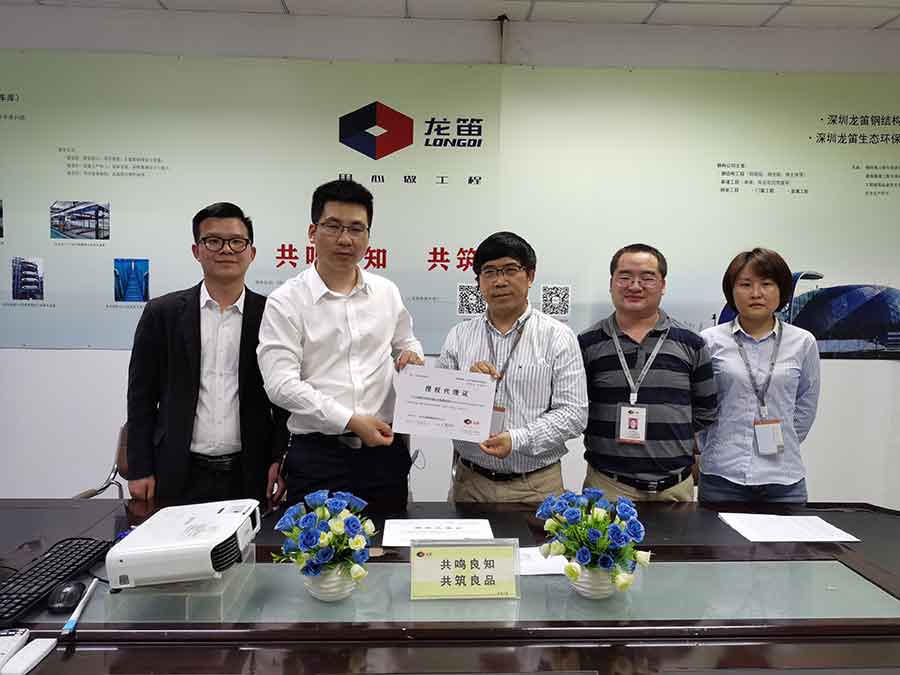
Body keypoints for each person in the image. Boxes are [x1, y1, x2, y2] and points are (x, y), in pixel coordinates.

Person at [257, 179, 424, 510]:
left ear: (368, 237)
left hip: (383, 454)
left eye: (356, 229)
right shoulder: (285, 301)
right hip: (318, 457)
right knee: (316, 542)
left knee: (389, 540)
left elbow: (406, 341)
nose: (345, 239)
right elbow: (280, 385)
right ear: (312, 231)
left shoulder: (386, 292)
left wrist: (412, 355)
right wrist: (350, 419)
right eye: (333, 226)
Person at [127, 202, 289, 504]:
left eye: (237, 242)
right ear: (196, 251)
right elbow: (141, 399)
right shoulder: (163, 313)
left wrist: (281, 459)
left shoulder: (273, 314)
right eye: (213, 241)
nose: (226, 249)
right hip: (177, 470)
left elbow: (285, 401)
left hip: (251, 472)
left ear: (251, 252)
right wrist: (139, 469)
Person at [437, 232, 587, 503]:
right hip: (470, 484)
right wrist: (466, 387)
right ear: (479, 282)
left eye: (510, 270)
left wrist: (517, 439)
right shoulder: (458, 336)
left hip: (537, 487)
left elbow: (573, 415)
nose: (500, 281)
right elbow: (439, 409)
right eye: (489, 272)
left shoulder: (558, 336)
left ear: (530, 275)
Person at [579, 243, 717, 501]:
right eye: (625, 277)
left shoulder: (691, 343)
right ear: (611, 283)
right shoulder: (587, 343)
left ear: (663, 285)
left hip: (674, 488)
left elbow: (706, 410)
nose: (635, 286)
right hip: (608, 486)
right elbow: (577, 409)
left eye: (647, 278)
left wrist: (666, 434)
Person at [698, 248, 820, 503]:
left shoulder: (802, 342)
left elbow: (806, 405)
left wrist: (783, 441)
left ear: (781, 290)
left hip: (784, 480)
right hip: (722, 477)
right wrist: (713, 445)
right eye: (745, 284)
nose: (756, 293)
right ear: (731, 291)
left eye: (766, 284)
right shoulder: (709, 341)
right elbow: (699, 404)